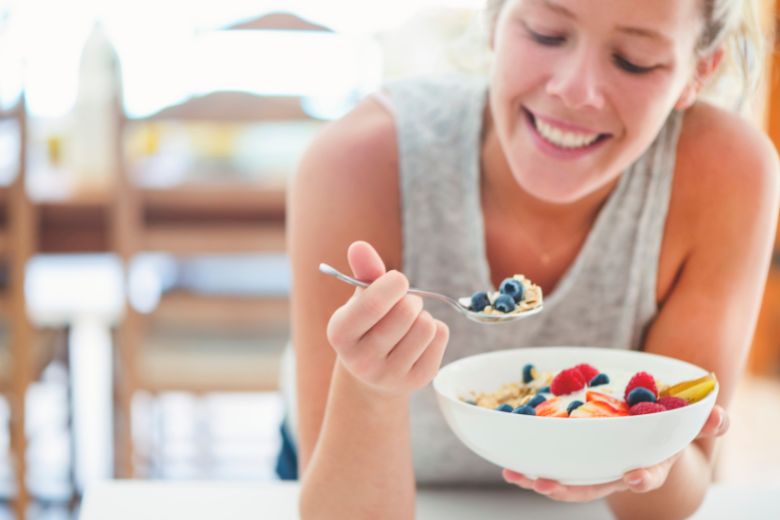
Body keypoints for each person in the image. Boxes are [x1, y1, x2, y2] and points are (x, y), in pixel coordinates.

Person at [281, 0, 780, 518]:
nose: (574, 89)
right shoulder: (361, 161)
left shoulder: (728, 175)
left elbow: (668, 500)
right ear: (494, 20)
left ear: (697, 72)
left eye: (633, 60)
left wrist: (643, 448)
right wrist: (369, 393)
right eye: (545, 34)